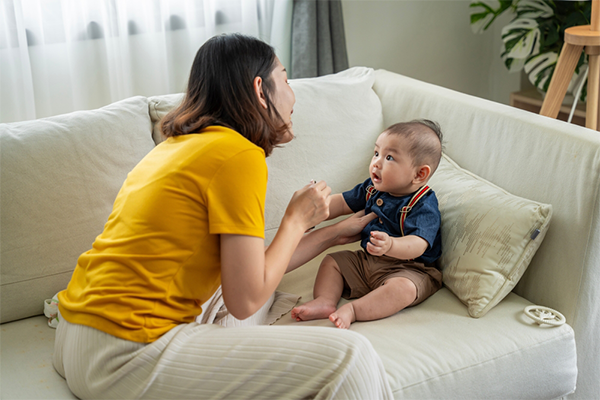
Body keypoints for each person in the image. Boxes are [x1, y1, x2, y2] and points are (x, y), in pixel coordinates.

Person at [52, 34, 393, 400]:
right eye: (286, 79)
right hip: (123, 354)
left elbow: (250, 277)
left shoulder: (178, 146)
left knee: (262, 295)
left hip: (76, 334)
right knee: (351, 357)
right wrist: (296, 219)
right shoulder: (239, 156)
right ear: (260, 90)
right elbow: (244, 299)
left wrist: (329, 233)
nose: (293, 96)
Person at [291, 120, 443, 329]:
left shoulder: (423, 203)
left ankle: (354, 310)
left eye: (389, 157)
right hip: (368, 261)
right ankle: (325, 301)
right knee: (332, 262)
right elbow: (342, 203)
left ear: (419, 174)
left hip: (408, 268)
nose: (376, 163)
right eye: (376, 153)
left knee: (404, 289)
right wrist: (314, 210)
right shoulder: (372, 188)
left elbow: (419, 243)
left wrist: (391, 245)